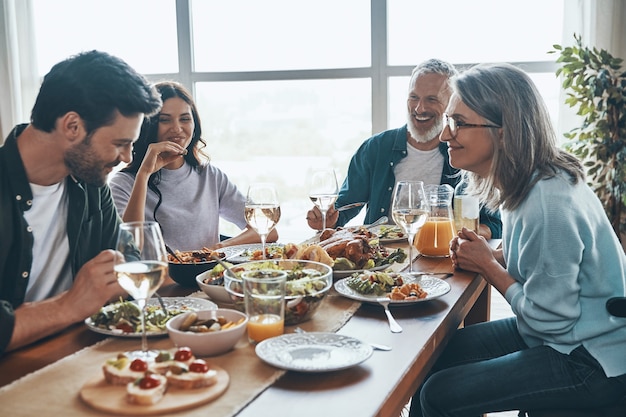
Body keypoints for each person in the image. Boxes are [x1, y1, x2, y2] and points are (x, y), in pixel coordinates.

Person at [408, 63, 626, 416]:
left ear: (505, 133)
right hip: (565, 335)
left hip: (592, 359)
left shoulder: (549, 202)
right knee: (435, 355)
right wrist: (493, 253)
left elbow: (549, 319)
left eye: (459, 123)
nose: (445, 135)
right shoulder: (530, 180)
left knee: (439, 394)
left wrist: (489, 266)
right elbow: (538, 261)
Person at [0, 50, 162, 354]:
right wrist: (70, 305)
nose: (127, 158)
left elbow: (127, 258)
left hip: (77, 353)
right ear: (72, 126)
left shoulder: (90, 180)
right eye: (120, 144)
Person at [306, 58, 501, 240]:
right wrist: (328, 218)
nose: (419, 108)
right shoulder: (375, 148)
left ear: (451, 104)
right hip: (380, 262)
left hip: (441, 259)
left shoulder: (464, 155)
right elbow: (343, 208)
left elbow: (493, 225)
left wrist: (462, 232)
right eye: (414, 97)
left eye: (432, 99)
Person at [108, 81, 277, 251]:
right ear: (147, 126)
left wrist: (219, 247)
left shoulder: (210, 176)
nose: (177, 128)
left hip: (206, 276)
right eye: (165, 120)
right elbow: (128, 248)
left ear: (194, 125)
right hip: (156, 277)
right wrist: (144, 174)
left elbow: (269, 231)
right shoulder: (123, 183)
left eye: (185, 119)